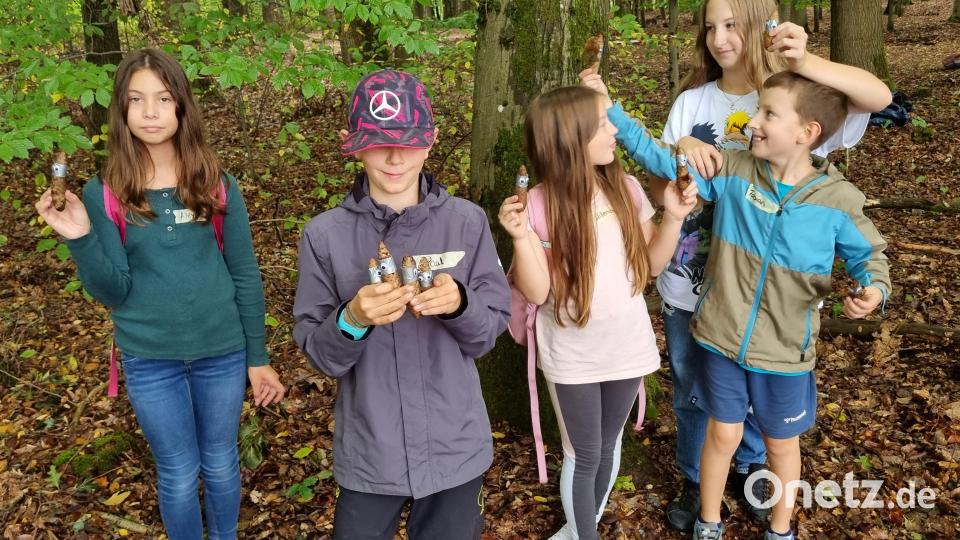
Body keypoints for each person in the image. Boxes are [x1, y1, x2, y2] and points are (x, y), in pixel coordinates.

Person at [590, 0, 892, 529]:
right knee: (700, 397)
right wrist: (621, 116)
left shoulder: (804, 113)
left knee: (773, 431)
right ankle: (701, 489)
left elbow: (878, 98)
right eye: (710, 27)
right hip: (707, 300)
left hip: (782, 335)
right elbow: (664, 166)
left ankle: (758, 486)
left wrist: (874, 288)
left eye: (732, 24)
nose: (719, 37)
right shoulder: (720, 138)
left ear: (807, 131)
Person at [35, 48, 284, 540]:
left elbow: (244, 273)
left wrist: (258, 355)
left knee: (219, 462)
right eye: (136, 100)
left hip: (222, 352)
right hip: (150, 359)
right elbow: (114, 290)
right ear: (122, 111)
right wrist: (80, 237)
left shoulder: (216, 183)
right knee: (176, 471)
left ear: (181, 107)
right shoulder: (103, 191)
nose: (150, 112)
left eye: (163, 98)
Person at [292, 69, 511, 540]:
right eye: (377, 142)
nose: (394, 157)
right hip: (372, 451)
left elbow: (488, 332)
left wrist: (460, 304)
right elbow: (321, 354)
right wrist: (352, 320)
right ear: (352, 145)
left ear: (429, 143)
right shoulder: (325, 236)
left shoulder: (466, 223)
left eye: (408, 142)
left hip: (454, 444)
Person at [499, 85, 698, 540]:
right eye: (603, 123)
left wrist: (673, 217)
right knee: (584, 453)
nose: (615, 131)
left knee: (609, 444)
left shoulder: (625, 189)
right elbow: (539, 290)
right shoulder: (536, 205)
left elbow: (649, 266)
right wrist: (519, 237)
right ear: (570, 138)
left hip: (626, 344)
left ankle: (577, 531)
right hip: (572, 353)